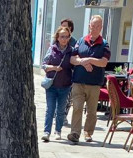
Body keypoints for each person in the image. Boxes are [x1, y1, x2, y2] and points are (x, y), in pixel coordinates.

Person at [67, 14, 111, 144]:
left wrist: (90, 60)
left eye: (98, 26)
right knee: (77, 107)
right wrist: (82, 62)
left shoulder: (104, 44)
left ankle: (88, 132)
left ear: (101, 28)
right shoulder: (80, 41)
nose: (95, 28)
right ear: (89, 26)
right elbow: (72, 59)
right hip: (78, 81)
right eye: (93, 25)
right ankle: (75, 133)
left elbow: (104, 62)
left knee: (92, 111)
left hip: (94, 83)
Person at [41, 26, 74, 142]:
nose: (64, 39)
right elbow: (44, 65)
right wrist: (54, 68)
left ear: (69, 38)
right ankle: (46, 132)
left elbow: (74, 66)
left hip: (65, 85)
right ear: (58, 38)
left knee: (60, 110)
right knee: (50, 109)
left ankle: (58, 131)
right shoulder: (52, 49)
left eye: (66, 37)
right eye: (62, 37)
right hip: (52, 85)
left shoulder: (72, 51)